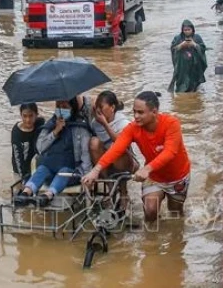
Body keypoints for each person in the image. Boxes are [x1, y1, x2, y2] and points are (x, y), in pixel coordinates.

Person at [82, 91, 191, 222]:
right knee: (150, 212)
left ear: (154, 112)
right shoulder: (133, 128)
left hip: (177, 176)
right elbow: (117, 148)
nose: (135, 116)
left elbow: (170, 152)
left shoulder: (172, 123)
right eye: (134, 112)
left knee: (176, 214)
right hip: (154, 177)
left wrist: (146, 169)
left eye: (140, 112)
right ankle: (151, 240)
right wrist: (96, 170)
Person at [17, 97, 94, 207]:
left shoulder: (80, 128)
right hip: (50, 168)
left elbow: (86, 156)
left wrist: (87, 177)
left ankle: (47, 196)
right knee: (42, 169)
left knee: (64, 171)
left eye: (64, 107)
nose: (61, 110)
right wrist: (55, 131)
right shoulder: (50, 124)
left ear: (72, 108)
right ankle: (25, 194)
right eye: (58, 106)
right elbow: (40, 147)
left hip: (71, 172)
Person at [88, 91, 139, 209]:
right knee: (94, 142)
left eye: (102, 107)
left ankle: (123, 193)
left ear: (112, 108)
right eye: (97, 108)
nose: (99, 111)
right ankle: (110, 187)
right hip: (105, 164)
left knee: (116, 149)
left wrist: (105, 124)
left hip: (125, 162)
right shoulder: (95, 123)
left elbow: (121, 144)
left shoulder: (124, 123)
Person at [169, 20, 207, 93]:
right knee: (181, 86)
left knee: (194, 83)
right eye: (185, 30)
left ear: (192, 29)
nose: (187, 31)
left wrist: (195, 45)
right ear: (182, 30)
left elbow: (203, 48)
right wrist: (181, 45)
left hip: (194, 65)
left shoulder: (197, 37)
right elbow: (173, 49)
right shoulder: (178, 38)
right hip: (182, 66)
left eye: (188, 30)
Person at [11, 103, 45, 184]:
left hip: (36, 164)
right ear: (21, 115)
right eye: (24, 116)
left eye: (31, 116)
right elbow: (17, 157)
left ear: (36, 115)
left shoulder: (40, 123)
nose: (28, 120)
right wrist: (23, 178)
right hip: (20, 169)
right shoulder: (17, 132)